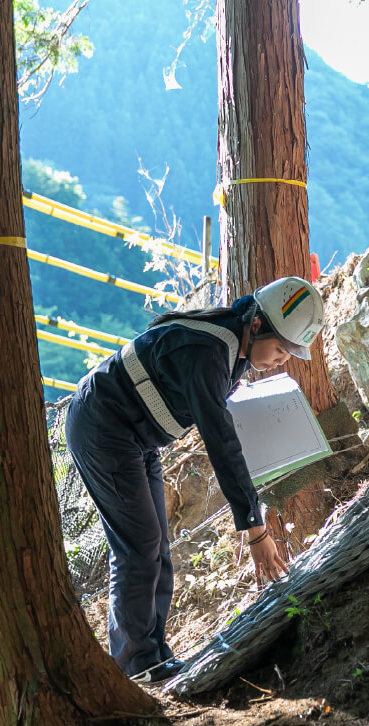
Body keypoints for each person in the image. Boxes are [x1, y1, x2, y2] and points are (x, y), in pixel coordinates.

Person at [65, 276, 326, 683]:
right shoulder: (209, 352)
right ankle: (135, 665)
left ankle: (154, 655)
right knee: (139, 546)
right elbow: (222, 443)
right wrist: (255, 531)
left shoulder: (235, 345)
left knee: (156, 545)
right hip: (103, 428)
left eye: (289, 354)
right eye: (279, 349)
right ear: (256, 324)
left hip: (137, 438)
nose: (281, 360)